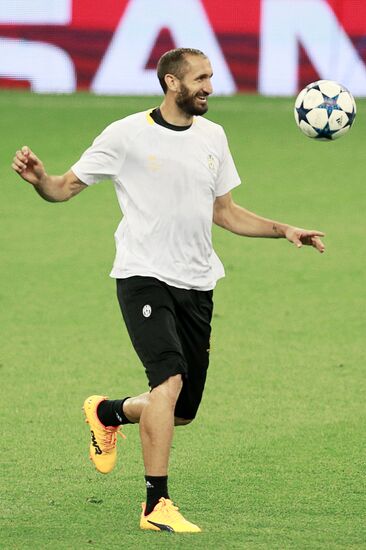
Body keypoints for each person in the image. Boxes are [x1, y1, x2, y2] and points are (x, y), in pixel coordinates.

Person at [12, 47, 325, 533]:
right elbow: (63, 188)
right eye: (200, 78)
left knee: (178, 411)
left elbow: (225, 212)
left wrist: (284, 229)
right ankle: (155, 505)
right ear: (171, 83)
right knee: (168, 380)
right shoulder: (126, 134)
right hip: (142, 275)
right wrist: (40, 180)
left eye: (210, 77)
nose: (209, 87)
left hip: (197, 282)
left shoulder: (213, 136)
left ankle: (108, 411)